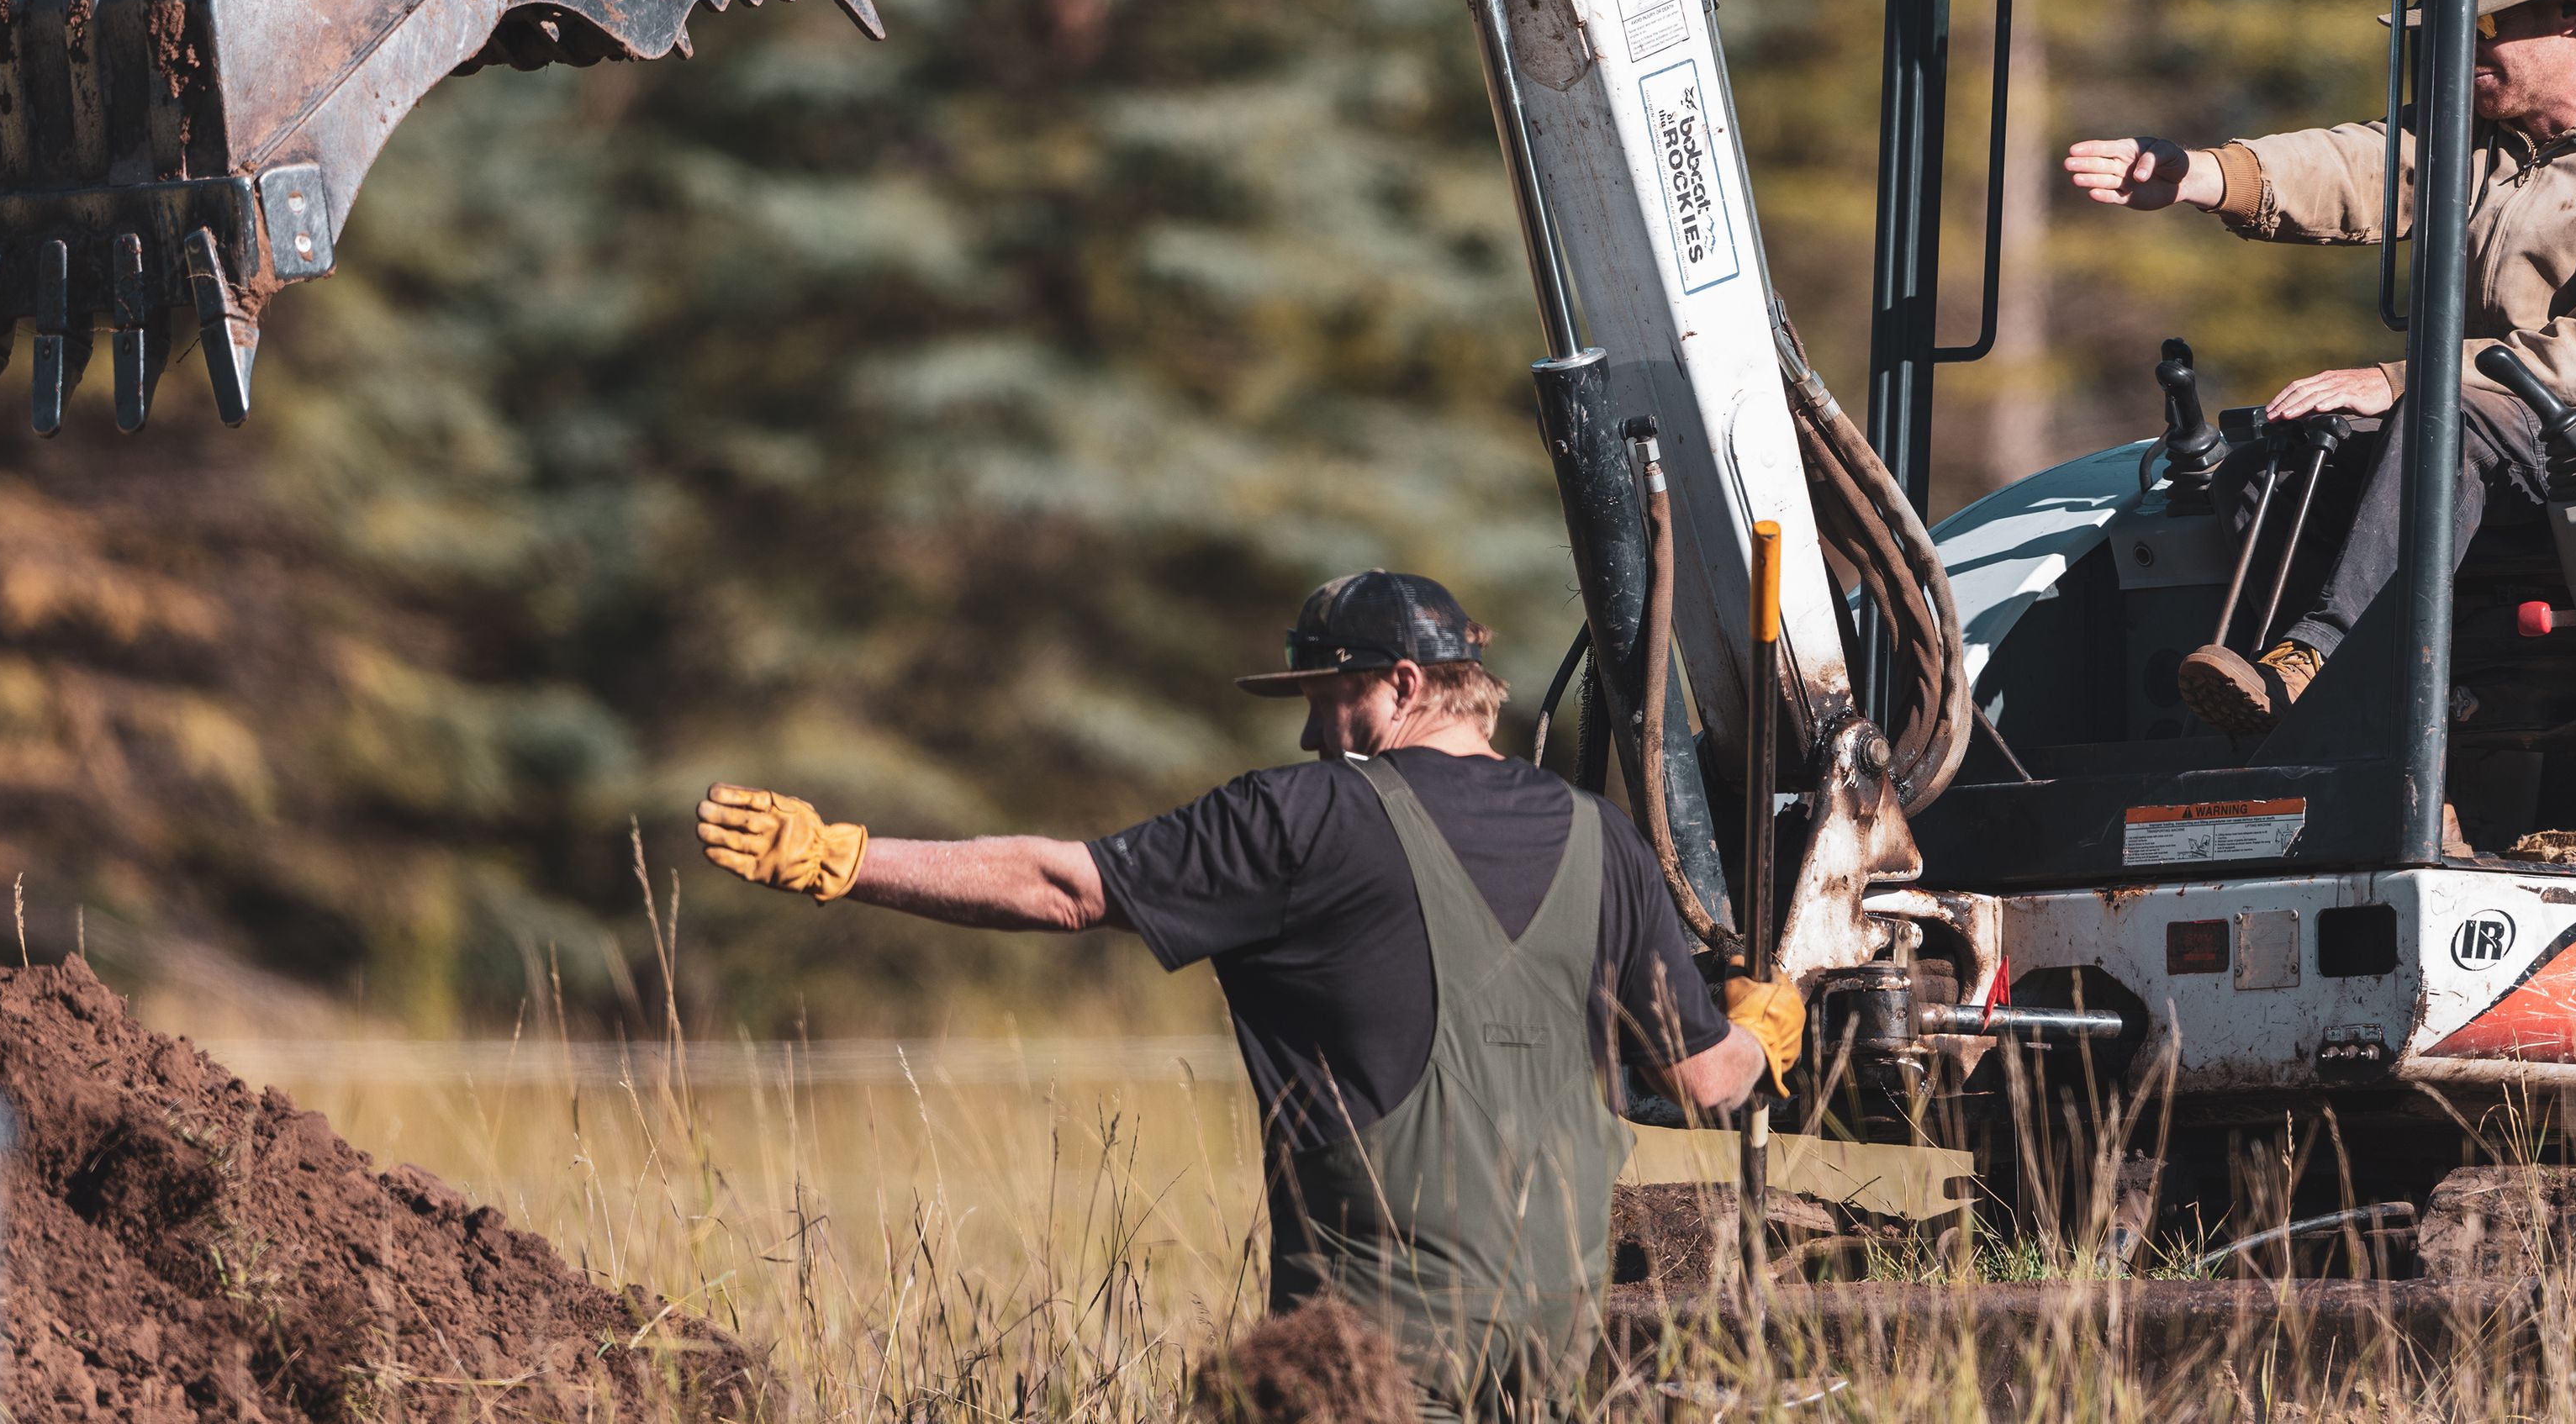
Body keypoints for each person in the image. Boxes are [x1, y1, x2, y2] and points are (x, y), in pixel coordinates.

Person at [694, 569, 1798, 1417]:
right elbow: (1706, 1082)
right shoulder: (1602, 838)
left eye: (1325, 699)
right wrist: (1766, 1025)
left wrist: (844, 858)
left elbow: (1062, 886)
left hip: (1369, 1357)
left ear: (1402, 685)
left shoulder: (1304, 820)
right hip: (1562, 1352)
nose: (1311, 734)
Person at [2062, 0, 2576, 741]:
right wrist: (2205, 174)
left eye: (2483, 24)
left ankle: (2316, 659)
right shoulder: (2487, 139)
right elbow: (2364, 163)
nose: (2461, 49)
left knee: (2438, 422)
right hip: (2484, 424)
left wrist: (2400, 381)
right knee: (2273, 462)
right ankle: (2359, 714)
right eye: (2444, 30)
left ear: (2571, 13)